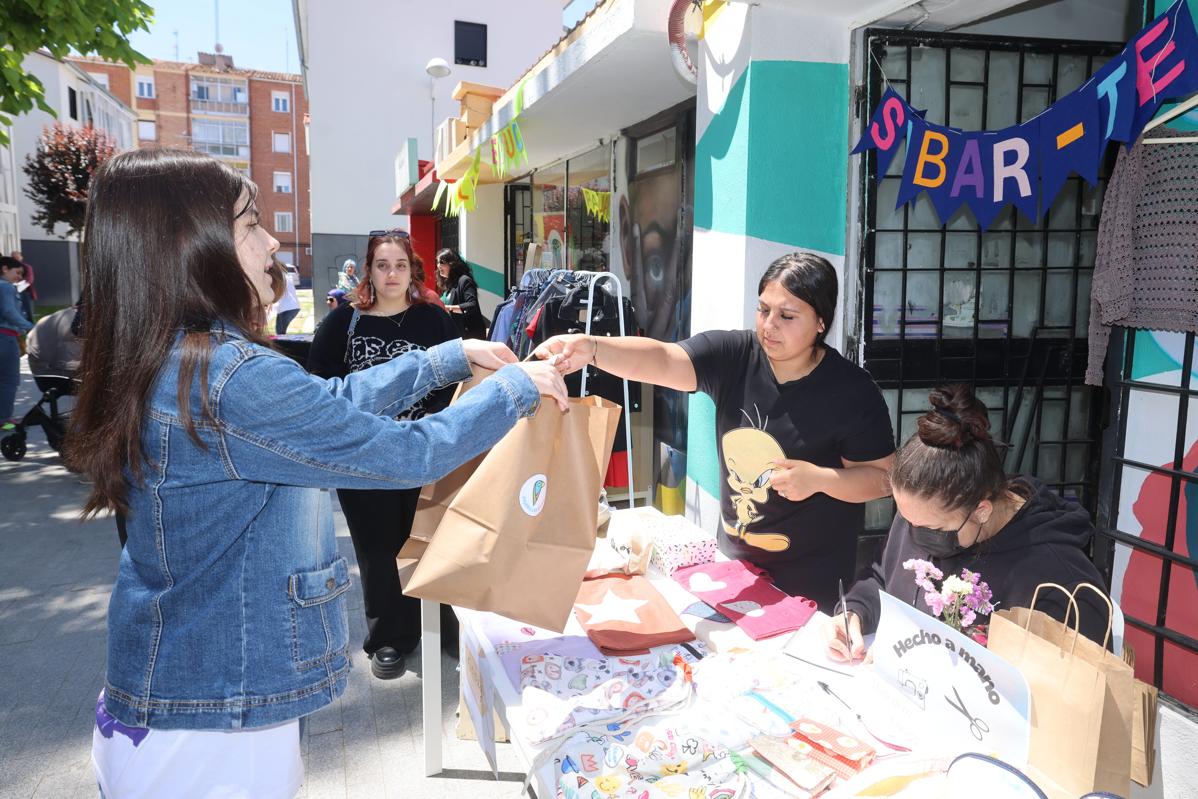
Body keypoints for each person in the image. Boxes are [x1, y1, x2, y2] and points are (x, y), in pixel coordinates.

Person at [67, 148, 569, 798]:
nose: (272, 239)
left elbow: (324, 409)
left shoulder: (184, 360)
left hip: (187, 705)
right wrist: (516, 390)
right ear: (191, 246)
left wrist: (446, 356)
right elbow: (404, 453)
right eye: (250, 224)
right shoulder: (227, 377)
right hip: (212, 726)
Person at [536, 252, 896, 610]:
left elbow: (883, 479)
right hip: (735, 570)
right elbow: (664, 359)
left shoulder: (852, 391)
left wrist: (819, 479)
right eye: (763, 309)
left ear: (821, 322)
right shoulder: (735, 356)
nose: (769, 325)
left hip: (812, 588)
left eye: (786, 316)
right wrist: (594, 348)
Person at [826, 385, 1112, 662]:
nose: (913, 535)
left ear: (982, 511)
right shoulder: (924, 513)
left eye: (933, 529)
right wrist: (856, 612)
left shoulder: (1058, 579)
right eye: (905, 518)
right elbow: (881, 576)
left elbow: (1073, 689)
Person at [308, 230, 462, 678]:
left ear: (412, 270)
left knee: (436, 542)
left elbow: (455, 380)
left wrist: (429, 423)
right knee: (378, 551)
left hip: (427, 451)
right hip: (365, 459)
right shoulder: (343, 323)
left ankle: (447, 628)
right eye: (382, 265)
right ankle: (389, 638)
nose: (391, 274)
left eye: (399, 265)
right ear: (369, 270)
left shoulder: (434, 321)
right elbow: (323, 386)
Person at [1, 256, 34, 427]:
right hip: (5, 338)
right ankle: (4, 419)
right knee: (9, 380)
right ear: (5, 269)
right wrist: (30, 327)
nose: (20, 277)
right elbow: (9, 311)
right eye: (18, 272)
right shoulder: (6, 287)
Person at [436, 248, 488, 339]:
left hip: (470, 337)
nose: (438, 266)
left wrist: (448, 308)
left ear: (452, 265)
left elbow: (472, 305)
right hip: (456, 336)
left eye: (442, 262)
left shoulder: (464, 280)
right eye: (438, 262)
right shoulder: (449, 285)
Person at [273, 261, 301, 334]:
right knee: (281, 331)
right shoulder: (287, 276)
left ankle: (280, 345)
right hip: (293, 306)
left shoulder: (279, 277)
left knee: (280, 331)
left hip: (286, 308)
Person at [11, 250, 35, 324]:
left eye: (17, 258)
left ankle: (30, 329)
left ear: (21, 258)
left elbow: (29, 280)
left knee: (28, 312)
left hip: (25, 292)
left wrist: (17, 286)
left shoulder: (27, 267)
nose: (15, 259)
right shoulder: (9, 268)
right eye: (13, 258)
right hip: (12, 291)